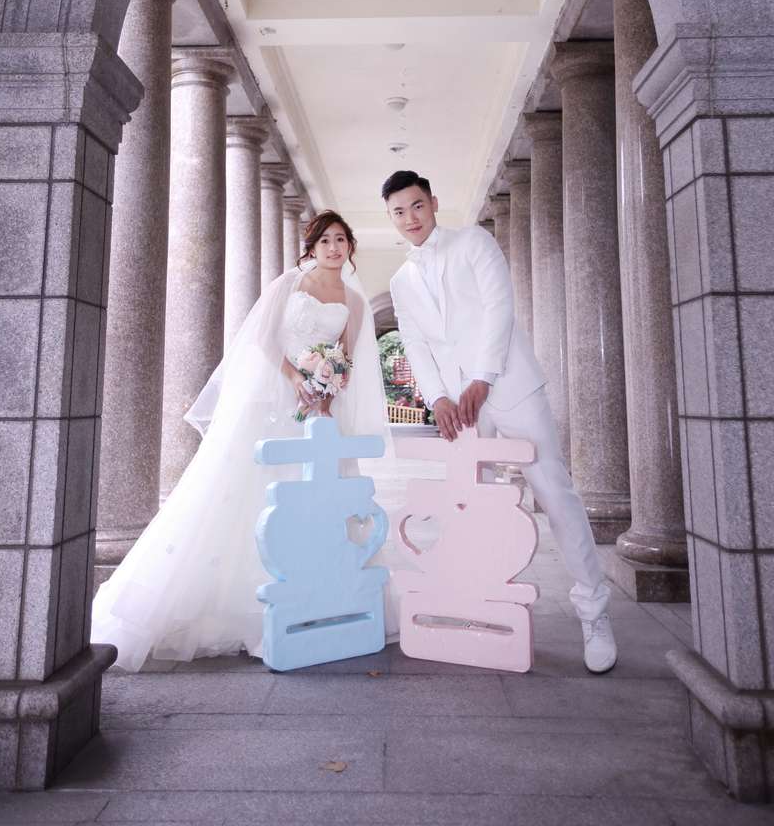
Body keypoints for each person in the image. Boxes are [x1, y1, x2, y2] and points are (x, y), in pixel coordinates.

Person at [91, 210, 386, 671]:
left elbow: (345, 357)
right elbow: (265, 339)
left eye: (341, 240)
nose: (334, 247)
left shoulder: (354, 301)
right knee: (254, 491)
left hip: (316, 410)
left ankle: (314, 598)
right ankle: (245, 607)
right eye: (325, 240)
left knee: (312, 496)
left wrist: (326, 390)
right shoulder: (288, 285)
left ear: (350, 246)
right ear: (312, 247)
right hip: (272, 400)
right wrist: (297, 378)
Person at [383, 170, 617, 674]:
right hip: (459, 408)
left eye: (417, 205)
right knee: (467, 506)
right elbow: (416, 343)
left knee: (554, 492)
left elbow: (499, 309)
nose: (410, 218)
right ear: (392, 218)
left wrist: (482, 378)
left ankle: (594, 613)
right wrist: (437, 397)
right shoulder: (401, 281)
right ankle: (479, 606)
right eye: (399, 212)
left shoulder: (474, 242)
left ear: (433, 202)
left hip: (509, 386)